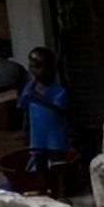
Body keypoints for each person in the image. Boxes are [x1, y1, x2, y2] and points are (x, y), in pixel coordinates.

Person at [17, 47, 69, 180]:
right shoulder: (30, 87)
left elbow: (60, 107)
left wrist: (37, 98)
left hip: (54, 135)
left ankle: (60, 191)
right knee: (40, 165)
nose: (35, 71)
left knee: (58, 165)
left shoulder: (57, 90)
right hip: (37, 135)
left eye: (39, 67)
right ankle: (43, 188)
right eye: (33, 67)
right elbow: (23, 107)